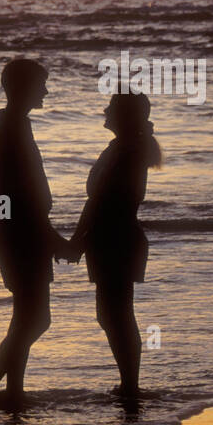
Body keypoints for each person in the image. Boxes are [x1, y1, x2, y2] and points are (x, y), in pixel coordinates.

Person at [0, 58, 73, 407]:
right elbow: (12, 196)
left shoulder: (15, 127)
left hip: (20, 231)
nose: (46, 90)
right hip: (19, 234)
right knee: (35, 319)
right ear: (24, 88)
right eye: (40, 84)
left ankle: (13, 393)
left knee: (26, 318)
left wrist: (41, 232)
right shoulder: (10, 131)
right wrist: (44, 235)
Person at [68, 91, 163, 396]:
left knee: (116, 314)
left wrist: (77, 241)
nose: (104, 109)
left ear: (122, 115)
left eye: (110, 106)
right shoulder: (124, 148)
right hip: (113, 236)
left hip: (115, 238)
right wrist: (81, 240)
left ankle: (130, 385)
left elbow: (101, 202)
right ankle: (129, 383)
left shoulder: (126, 151)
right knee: (114, 313)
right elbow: (98, 202)